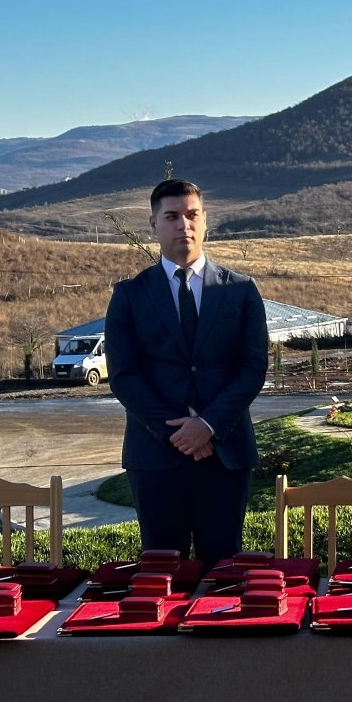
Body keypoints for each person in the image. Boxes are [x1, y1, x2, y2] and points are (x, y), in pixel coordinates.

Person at [105, 179, 268, 566]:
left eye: (192, 215)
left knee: (224, 571)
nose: (184, 225)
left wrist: (208, 425)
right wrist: (178, 432)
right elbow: (124, 375)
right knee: (161, 573)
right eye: (172, 216)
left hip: (225, 455)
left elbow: (252, 367)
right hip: (156, 457)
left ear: (205, 220)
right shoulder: (129, 295)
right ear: (153, 224)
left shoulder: (241, 291)